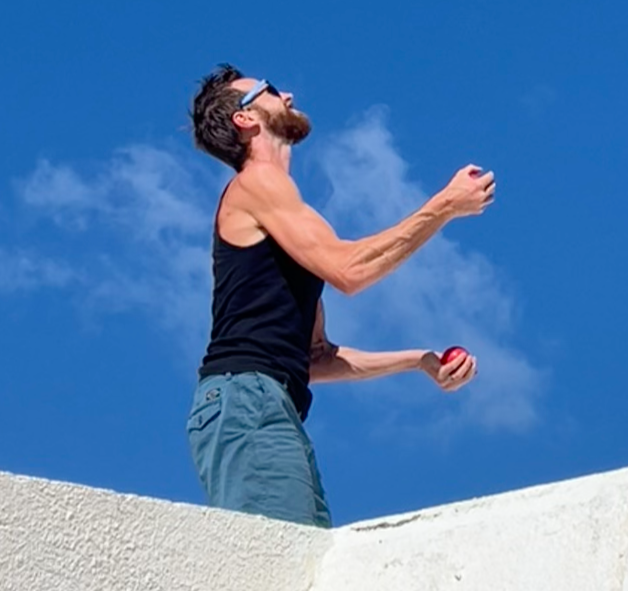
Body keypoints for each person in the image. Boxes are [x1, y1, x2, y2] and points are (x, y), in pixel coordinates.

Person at [187, 64, 495, 527]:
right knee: (282, 555)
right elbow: (349, 270)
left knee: (305, 546)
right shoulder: (257, 183)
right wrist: (444, 206)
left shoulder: (285, 213)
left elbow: (315, 357)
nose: (287, 94)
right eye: (270, 90)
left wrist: (419, 360)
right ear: (245, 119)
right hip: (247, 399)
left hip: (266, 401)